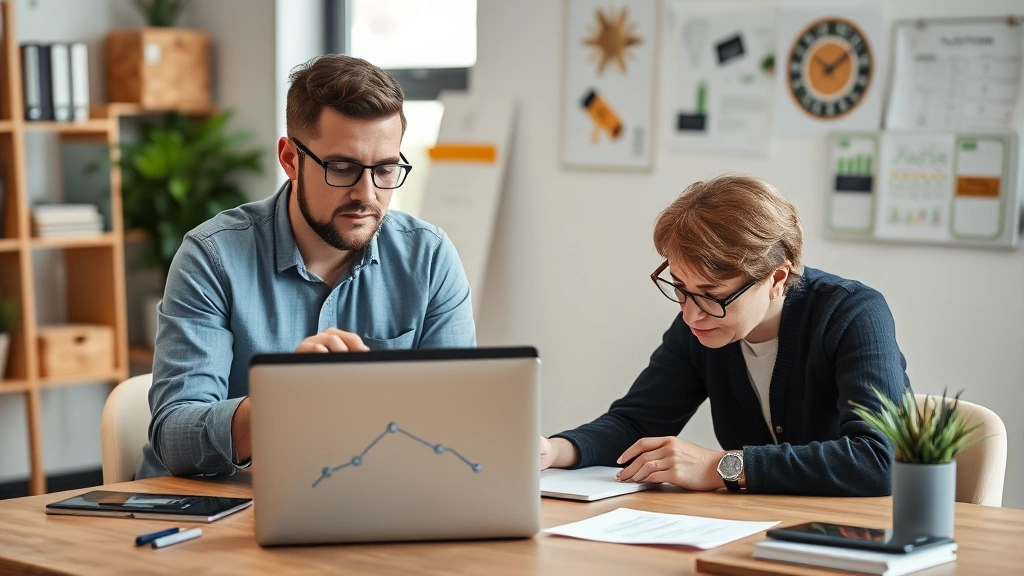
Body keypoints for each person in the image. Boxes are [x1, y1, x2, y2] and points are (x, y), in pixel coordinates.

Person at [137, 55, 476, 479]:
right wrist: (281, 402)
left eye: (386, 169)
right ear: (290, 159)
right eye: (342, 168)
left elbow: (457, 420)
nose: (366, 195)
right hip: (225, 509)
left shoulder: (428, 257)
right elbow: (174, 436)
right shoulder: (213, 256)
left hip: (363, 496)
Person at [540, 175, 910, 496]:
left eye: (712, 296)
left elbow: (878, 459)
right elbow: (636, 423)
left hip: (855, 536)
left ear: (777, 279)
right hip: (753, 527)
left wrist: (720, 466)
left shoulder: (852, 314)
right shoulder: (700, 326)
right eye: (681, 287)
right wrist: (553, 450)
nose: (690, 313)